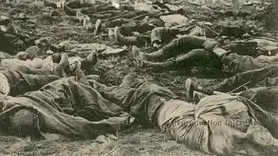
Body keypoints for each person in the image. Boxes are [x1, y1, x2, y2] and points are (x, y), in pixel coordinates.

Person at [91, 73, 278, 155]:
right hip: (172, 105)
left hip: (157, 109)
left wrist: (202, 100)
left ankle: (99, 84)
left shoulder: (217, 137)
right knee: (138, 89)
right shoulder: (231, 130)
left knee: (130, 92)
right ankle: (122, 83)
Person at [0, 76, 133, 142]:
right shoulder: (6, 110)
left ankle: (124, 82)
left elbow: (74, 125)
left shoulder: (11, 104)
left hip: (66, 89)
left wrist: (111, 123)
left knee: (106, 95)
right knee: (106, 96)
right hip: (69, 106)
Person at [130, 36, 277, 74]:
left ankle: (155, 66)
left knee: (197, 54)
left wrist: (216, 49)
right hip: (225, 49)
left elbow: (242, 64)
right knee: (186, 40)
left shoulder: (272, 67)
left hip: (226, 62)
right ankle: (150, 56)